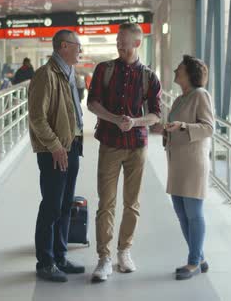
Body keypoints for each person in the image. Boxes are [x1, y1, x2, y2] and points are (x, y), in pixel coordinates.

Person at [87, 23, 161, 282]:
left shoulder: (149, 77)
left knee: (132, 203)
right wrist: (113, 119)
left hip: (137, 147)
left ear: (137, 43)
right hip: (109, 144)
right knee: (105, 203)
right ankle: (104, 258)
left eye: (124, 42)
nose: (119, 45)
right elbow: (92, 103)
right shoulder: (104, 70)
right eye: (118, 41)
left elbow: (156, 115)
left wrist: (135, 122)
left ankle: (124, 251)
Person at [28, 29, 85, 282]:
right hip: (54, 152)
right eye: (77, 45)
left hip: (71, 147)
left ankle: (60, 257)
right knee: (51, 207)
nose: (80, 50)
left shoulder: (69, 73)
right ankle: (45, 262)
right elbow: (37, 118)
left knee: (64, 206)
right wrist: (55, 146)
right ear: (64, 46)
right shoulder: (45, 75)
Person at [164, 55, 213, 280]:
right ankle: (199, 257)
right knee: (181, 213)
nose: (175, 70)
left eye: (179, 69)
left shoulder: (201, 96)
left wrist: (182, 126)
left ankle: (193, 262)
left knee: (193, 213)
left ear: (189, 74)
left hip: (193, 162)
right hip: (177, 163)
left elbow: (208, 128)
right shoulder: (180, 98)